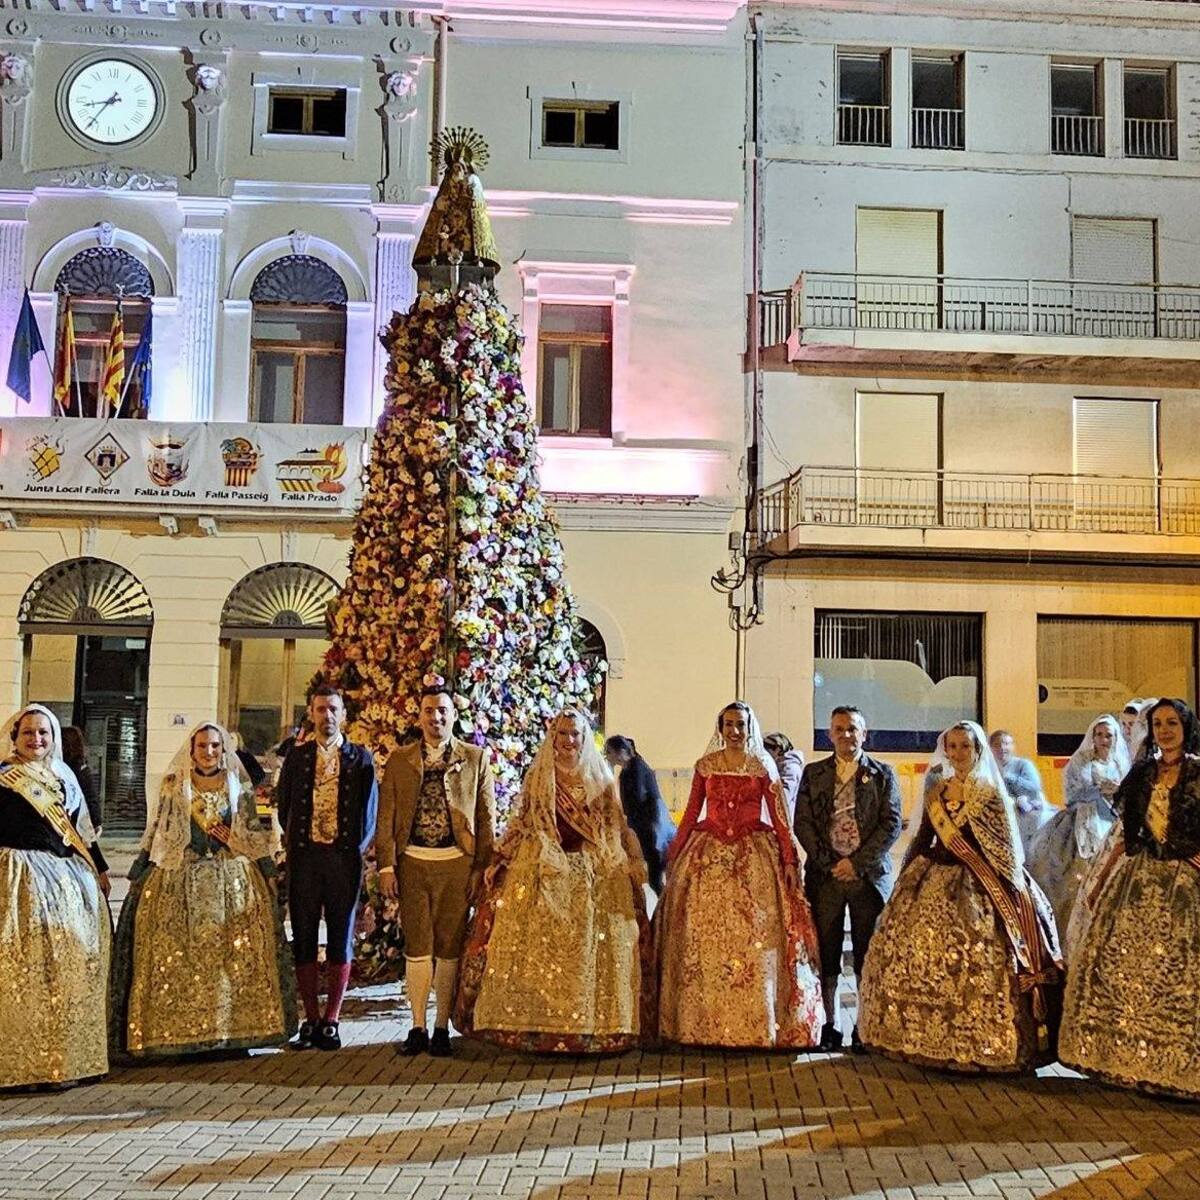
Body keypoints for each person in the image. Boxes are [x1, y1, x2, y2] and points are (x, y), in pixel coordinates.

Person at [858, 720, 1062, 1073]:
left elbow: (1004, 848)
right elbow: (925, 834)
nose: (957, 754)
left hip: (981, 885)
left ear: (977, 750)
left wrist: (1008, 889)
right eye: (951, 747)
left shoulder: (990, 793)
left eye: (964, 747)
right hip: (936, 875)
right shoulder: (937, 789)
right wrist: (908, 874)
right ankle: (923, 1038)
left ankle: (982, 1039)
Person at [455, 709, 652, 1053]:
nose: (569, 741)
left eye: (575, 734)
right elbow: (524, 822)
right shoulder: (540, 776)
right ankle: (535, 1027)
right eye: (563, 734)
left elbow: (614, 827)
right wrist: (500, 858)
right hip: (545, 863)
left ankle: (595, 1028)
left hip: (591, 869)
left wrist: (630, 862)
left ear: (585, 738)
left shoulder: (599, 777)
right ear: (553, 737)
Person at [110, 722, 295, 1059]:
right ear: (191, 749)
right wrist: (138, 869)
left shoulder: (239, 785)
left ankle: (228, 1034)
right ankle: (180, 1034)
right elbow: (158, 829)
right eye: (202, 746)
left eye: (215, 746)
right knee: (178, 954)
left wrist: (268, 872)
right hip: (180, 874)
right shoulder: (173, 785)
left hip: (231, 875)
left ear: (223, 750)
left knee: (229, 957)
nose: (208, 753)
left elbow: (253, 832)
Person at [656, 701, 823, 1049]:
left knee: (754, 940)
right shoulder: (706, 766)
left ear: (750, 729)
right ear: (720, 727)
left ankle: (752, 1022)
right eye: (728, 724)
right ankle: (701, 1022)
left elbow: (780, 819)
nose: (734, 731)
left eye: (740, 725)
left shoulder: (762, 767)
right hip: (708, 856)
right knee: (705, 941)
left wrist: (789, 861)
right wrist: (673, 856)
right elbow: (690, 814)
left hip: (753, 855)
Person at [1060, 698, 1200, 1099]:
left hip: (1186, 882)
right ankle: (1130, 1060)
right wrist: (1100, 882)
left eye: (1172, 723)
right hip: (1137, 881)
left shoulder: (1198, 773)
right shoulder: (1142, 774)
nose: (1165, 730)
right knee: (1126, 969)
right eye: (1158, 724)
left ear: (1185, 726)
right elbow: (1126, 835)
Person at [377, 682, 496, 1058]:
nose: (436, 718)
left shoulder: (475, 759)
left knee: (449, 947)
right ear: (420, 716)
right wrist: (385, 866)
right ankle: (416, 1026)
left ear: (453, 716)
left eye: (442, 711)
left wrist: (481, 866)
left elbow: (486, 817)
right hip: (412, 863)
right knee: (418, 947)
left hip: (456, 865)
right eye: (429, 711)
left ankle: (441, 1026)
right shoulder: (400, 760)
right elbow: (386, 817)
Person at [0, 704, 111, 1089]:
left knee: (65, 972)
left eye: (44, 733)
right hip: (17, 878)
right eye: (28, 733)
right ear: (15, 737)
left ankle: (66, 1059)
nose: (36, 740)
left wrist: (98, 867)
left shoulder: (64, 775)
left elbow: (81, 830)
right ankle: (19, 1065)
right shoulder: (3, 777)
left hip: (64, 878)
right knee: (21, 972)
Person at [794, 706, 902, 1052]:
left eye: (852, 729)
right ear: (829, 734)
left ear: (864, 734)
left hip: (868, 878)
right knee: (825, 952)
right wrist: (831, 864)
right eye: (839, 729)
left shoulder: (883, 775)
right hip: (825, 879)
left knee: (866, 952)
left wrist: (856, 863)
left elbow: (891, 823)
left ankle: (864, 1026)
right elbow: (804, 823)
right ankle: (830, 1023)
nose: (846, 735)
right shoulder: (813, 774)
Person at [277, 686, 377, 1052]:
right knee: (303, 936)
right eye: (321, 709)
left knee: (340, 935)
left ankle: (332, 1018)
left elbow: (369, 813)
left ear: (343, 714)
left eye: (333, 709)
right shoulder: (297, 756)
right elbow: (283, 805)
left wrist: (355, 849)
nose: (327, 716)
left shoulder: (360, 758)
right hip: (305, 858)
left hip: (342, 858)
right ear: (311, 713)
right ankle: (310, 1018)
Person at [1026, 715, 1129, 941]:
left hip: (1111, 819)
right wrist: (1100, 790)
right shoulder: (1083, 760)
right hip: (1083, 819)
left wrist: (1118, 792)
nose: (1103, 740)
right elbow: (1072, 793)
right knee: (1071, 870)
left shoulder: (1121, 763)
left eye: (1108, 735)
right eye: (1099, 735)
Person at [603, 735, 675, 894]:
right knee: (654, 877)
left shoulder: (636, 768)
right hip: (644, 825)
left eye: (609, 752)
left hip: (650, 826)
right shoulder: (627, 771)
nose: (607, 756)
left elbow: (638, 798)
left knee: (655, 877)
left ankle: (665, 909)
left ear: (620, 752)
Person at [989, 730, 1047, 854]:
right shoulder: (988, 768)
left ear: (1012, 746)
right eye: (997, 745)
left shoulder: (1023, 764)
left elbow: (1034, 787)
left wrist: (1009, 777)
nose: (1002, 748)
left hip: (1026, 815)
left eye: (1006, 743)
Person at [61, 725, 102, 834]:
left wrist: (96, 821)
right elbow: (90, 795)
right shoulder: (80, 767)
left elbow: (89, 795)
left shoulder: (72, 767)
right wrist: (96, 821)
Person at [763, 732, 805, 823]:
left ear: (777, 750)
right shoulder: (777, 766)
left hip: (785, 823)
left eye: (766, 750)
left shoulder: (790, 768)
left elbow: (783, 797)